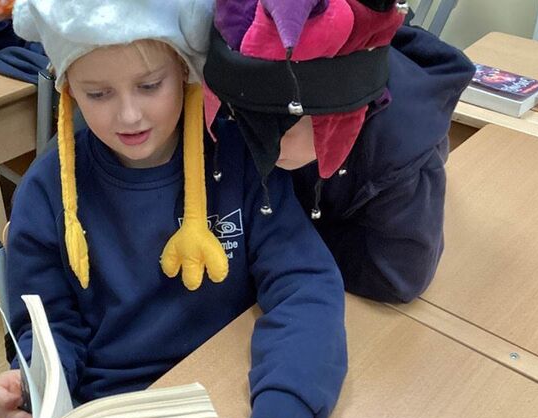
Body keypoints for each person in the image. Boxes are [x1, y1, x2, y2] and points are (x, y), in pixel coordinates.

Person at [0, 1, 347, 418]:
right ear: (68, 90)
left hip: (220, 389)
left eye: (149, 85)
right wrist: (32, 391)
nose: (128, 116)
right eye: (97, 94)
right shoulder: (46, 192)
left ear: (185, 71)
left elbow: (305, 284)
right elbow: (46, 327)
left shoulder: (240, 157)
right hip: (96, 407)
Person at [203, 0, 476, 303]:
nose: (258, 144)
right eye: (244, 119)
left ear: (336, 116)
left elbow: (399, 275)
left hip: (387, 144)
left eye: (277, 130)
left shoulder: (397, 154)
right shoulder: (261, 118)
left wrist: (287, 244)